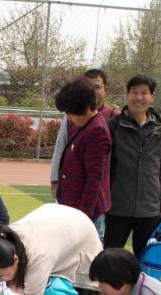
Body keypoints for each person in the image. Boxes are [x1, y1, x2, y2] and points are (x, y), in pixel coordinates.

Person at [105, 74, 161, 256]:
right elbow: (104, 167)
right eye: (134, 92)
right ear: (127, 95)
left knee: (146, 261)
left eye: (144, 93)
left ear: (152, 96)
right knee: (110, 258)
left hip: (149, 208)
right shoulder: (113, 126)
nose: (139, 97)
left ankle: (143, 286)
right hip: (117, 207)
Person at [53, 75, 112, 231]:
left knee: (87, 254)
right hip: (75, 207)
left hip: (87, 213)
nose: (69, 118)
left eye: (70, 113)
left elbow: (95, 179)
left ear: (84, 107)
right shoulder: (86, 125)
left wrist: (83, 216)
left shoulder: (96, 131)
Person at [50, 68, 119, 200]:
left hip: (96, 197)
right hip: (73, 194)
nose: (92, 91)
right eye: (88, 87)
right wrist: (55, 182)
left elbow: (95, 178)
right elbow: (60, 150)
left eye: (97, 87)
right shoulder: (70, 116)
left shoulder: (111, 118)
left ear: (106, 89)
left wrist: (85, 212)